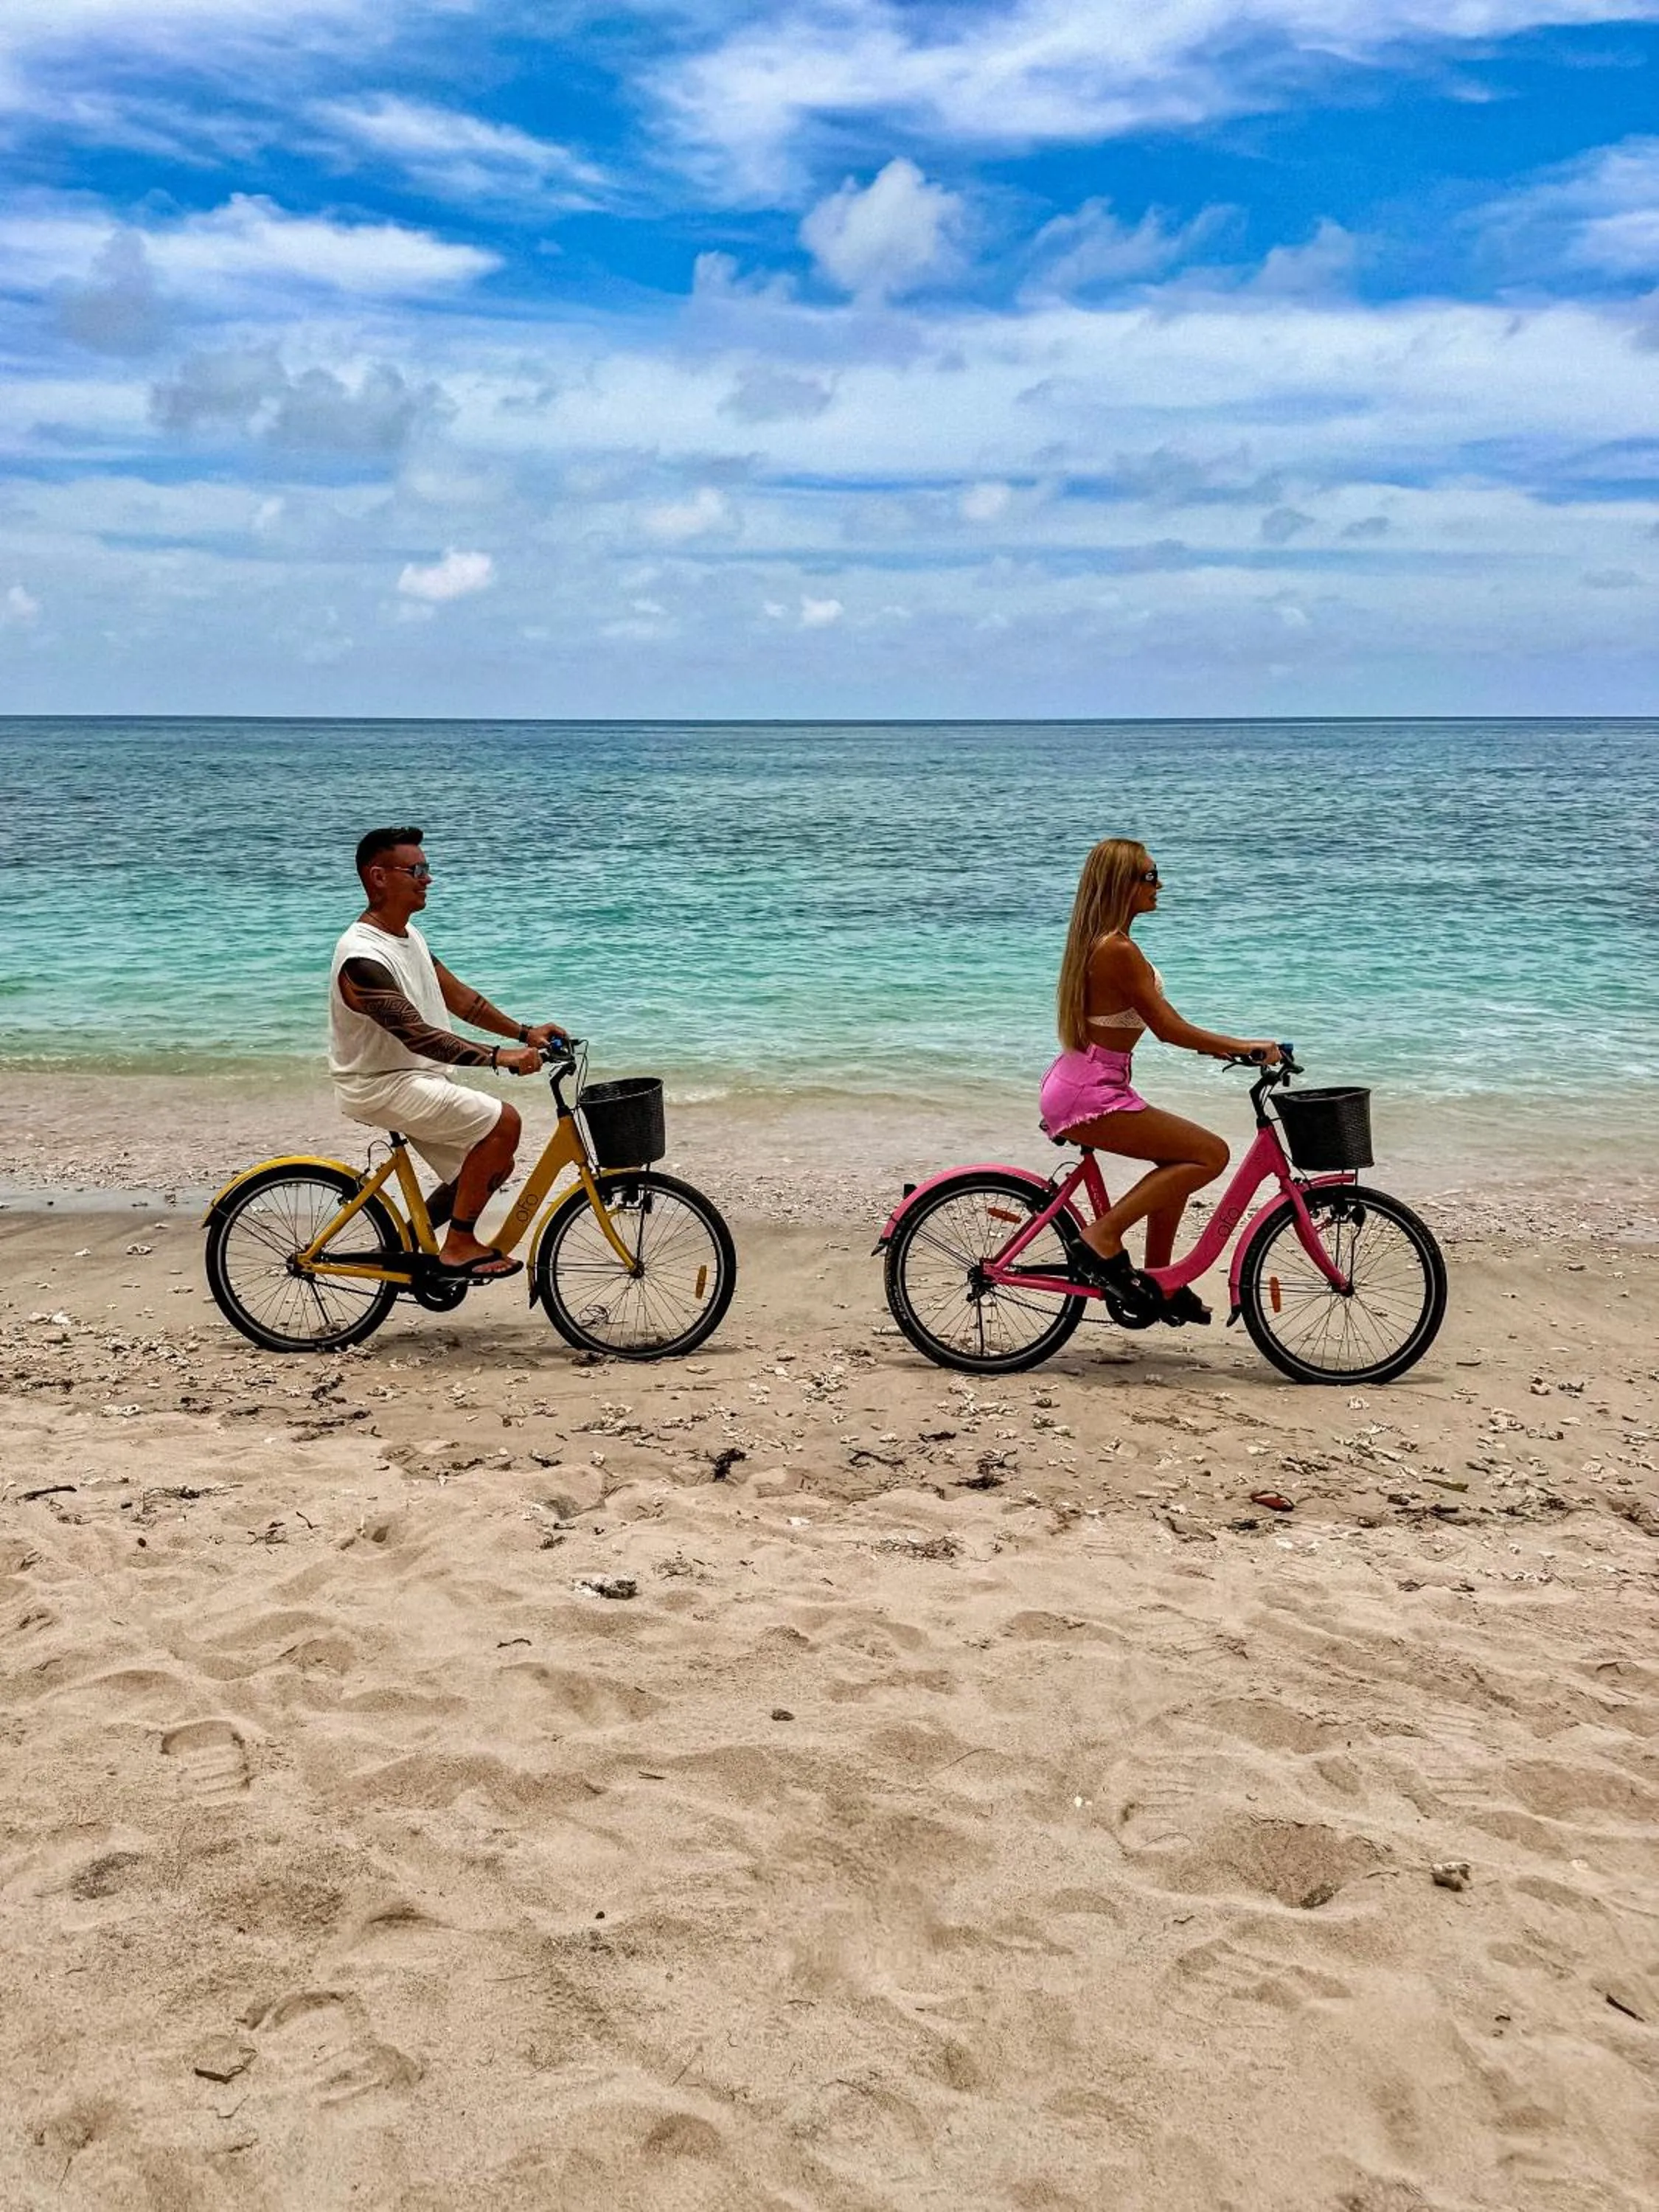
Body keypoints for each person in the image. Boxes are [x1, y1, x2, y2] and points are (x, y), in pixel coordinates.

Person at [1039, 837, 1280, 1326]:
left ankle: (1160, 1278)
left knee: (1180, 1159)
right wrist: (1245, 1046)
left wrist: (1232, 1048)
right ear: (1120, 885)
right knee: (1209, 1154)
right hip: (1091, 1092)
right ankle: (1102, 1237)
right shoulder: (1116, 950)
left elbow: (1165, 1026)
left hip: (1092, 1081)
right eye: (1149, 876)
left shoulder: (1110, 943)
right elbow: (1168, 1029)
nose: (1160, 884)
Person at [329, 827, 568, 1281]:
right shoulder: (362, 957)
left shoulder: (407, 936)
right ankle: (458, 1245)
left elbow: (461, 1000)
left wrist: (526, 1032)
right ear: (378, 877)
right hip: (383, 1084)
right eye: (415, 870)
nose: (428, 879)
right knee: (504, 1123)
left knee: (493, 1165)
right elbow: (418, 1035)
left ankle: (403, 1241)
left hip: (417, 1079)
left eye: (427, 869)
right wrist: (501, 1057)